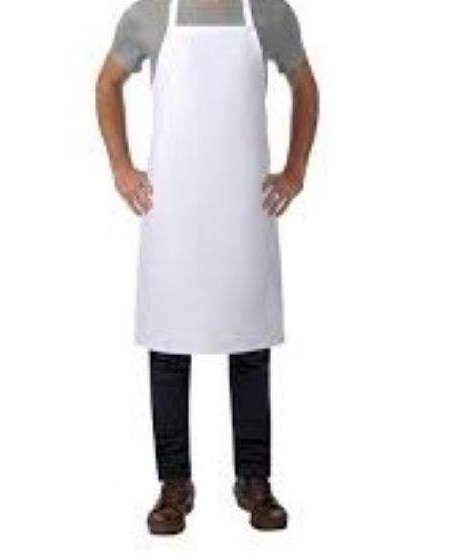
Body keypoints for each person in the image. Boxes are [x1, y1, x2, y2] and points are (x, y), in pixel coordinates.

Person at [96, 0, 318, 535]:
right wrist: (122, 168)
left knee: (251, 348)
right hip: (174, 212)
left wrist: (295, 170)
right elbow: (107, 83)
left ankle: (255, 480)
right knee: (169, 350)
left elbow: (305, 87)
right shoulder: (151, 13)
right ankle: (174, 484)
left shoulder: (268, 12)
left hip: (244, 208)